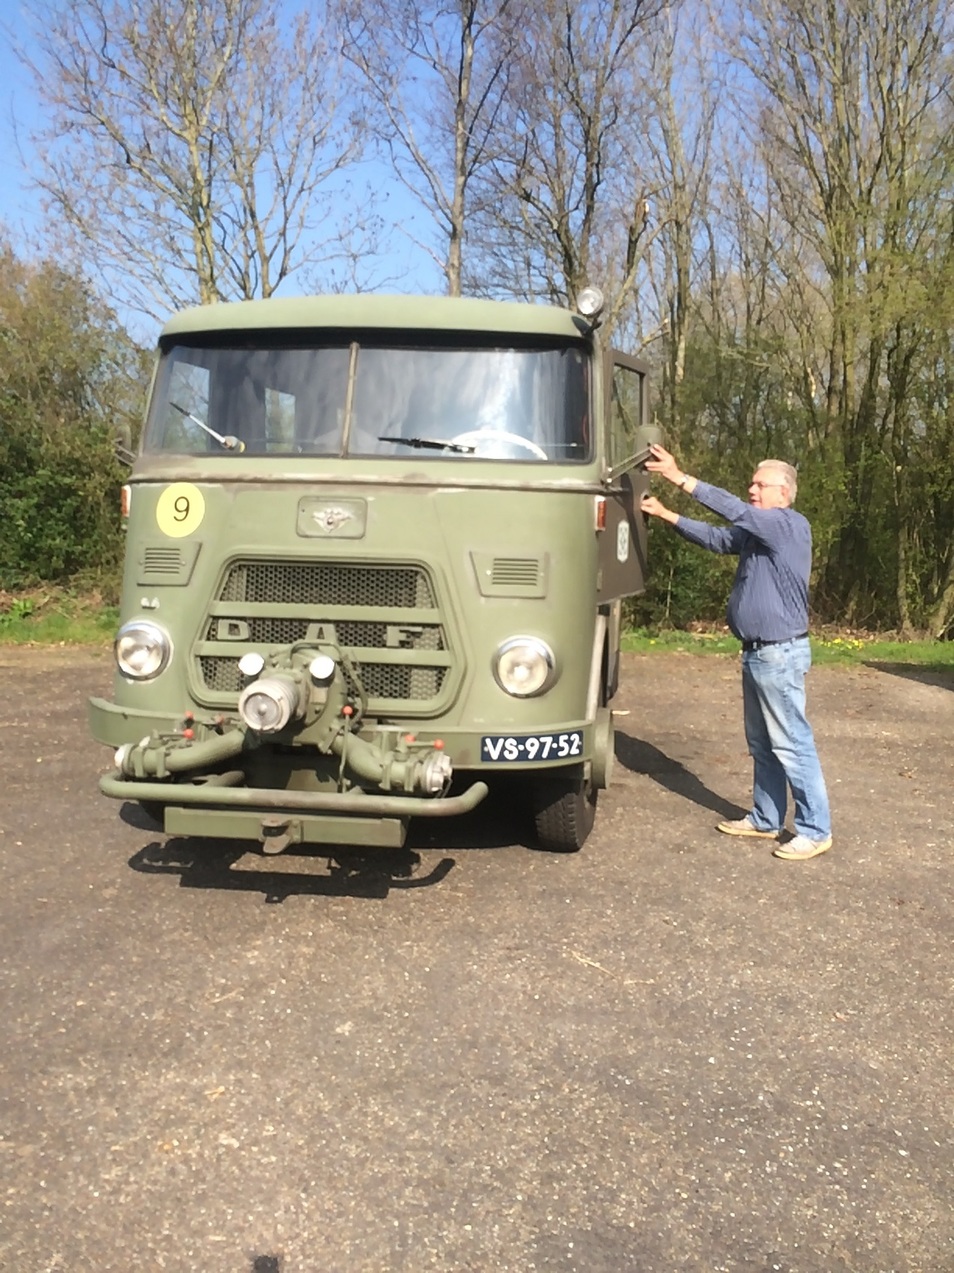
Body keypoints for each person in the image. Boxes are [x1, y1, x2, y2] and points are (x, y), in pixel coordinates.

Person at [640, 444, 832, 861]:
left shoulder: (787, 525)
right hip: (758, 654)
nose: (751, 489)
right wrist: (666, 514)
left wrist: (679, 477)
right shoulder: (759, 533)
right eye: (751, 483)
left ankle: (815, 830)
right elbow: (719, 538)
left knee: (792, 744)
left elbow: (734, 511)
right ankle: (766, 818)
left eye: (760, 485)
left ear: (783, 493)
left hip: (779, 654)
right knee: (763, 744)